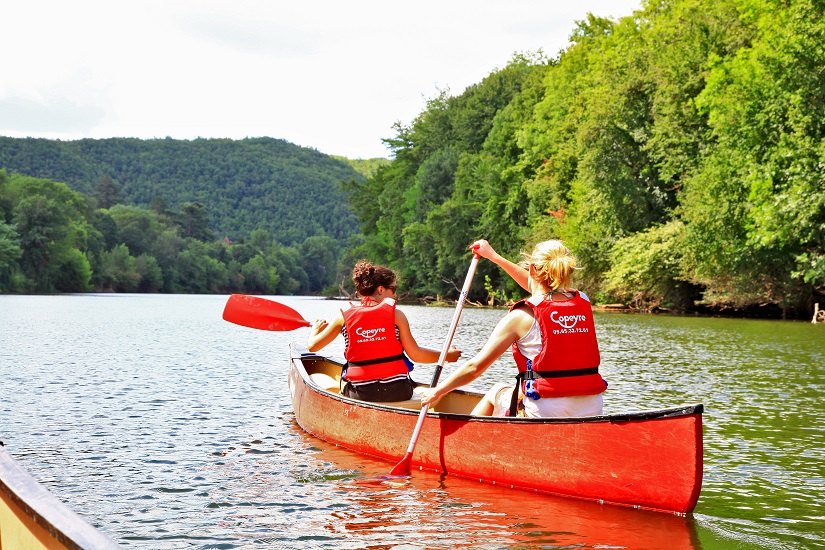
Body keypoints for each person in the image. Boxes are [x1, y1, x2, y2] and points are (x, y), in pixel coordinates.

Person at [419, 239, 607, 417]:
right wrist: (493, 256)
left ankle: (463, 444)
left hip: (546, 410)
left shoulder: (520, 317)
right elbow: (539, 289)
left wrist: (438, 391)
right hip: (592, 407)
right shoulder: (583, 300)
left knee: (496, 391)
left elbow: (474, 368)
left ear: (532, 269)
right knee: (517, 393)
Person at [307, 260, 461, 402]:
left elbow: (313, 346)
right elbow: (416, 355)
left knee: (318, 377)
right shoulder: (397, 316)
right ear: (381, 289)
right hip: (399, 392)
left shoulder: (342, 318)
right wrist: (446, 355)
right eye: (394, 289)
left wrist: (315, 330)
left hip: (360, 394)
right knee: (420, 389)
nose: (396, 295)